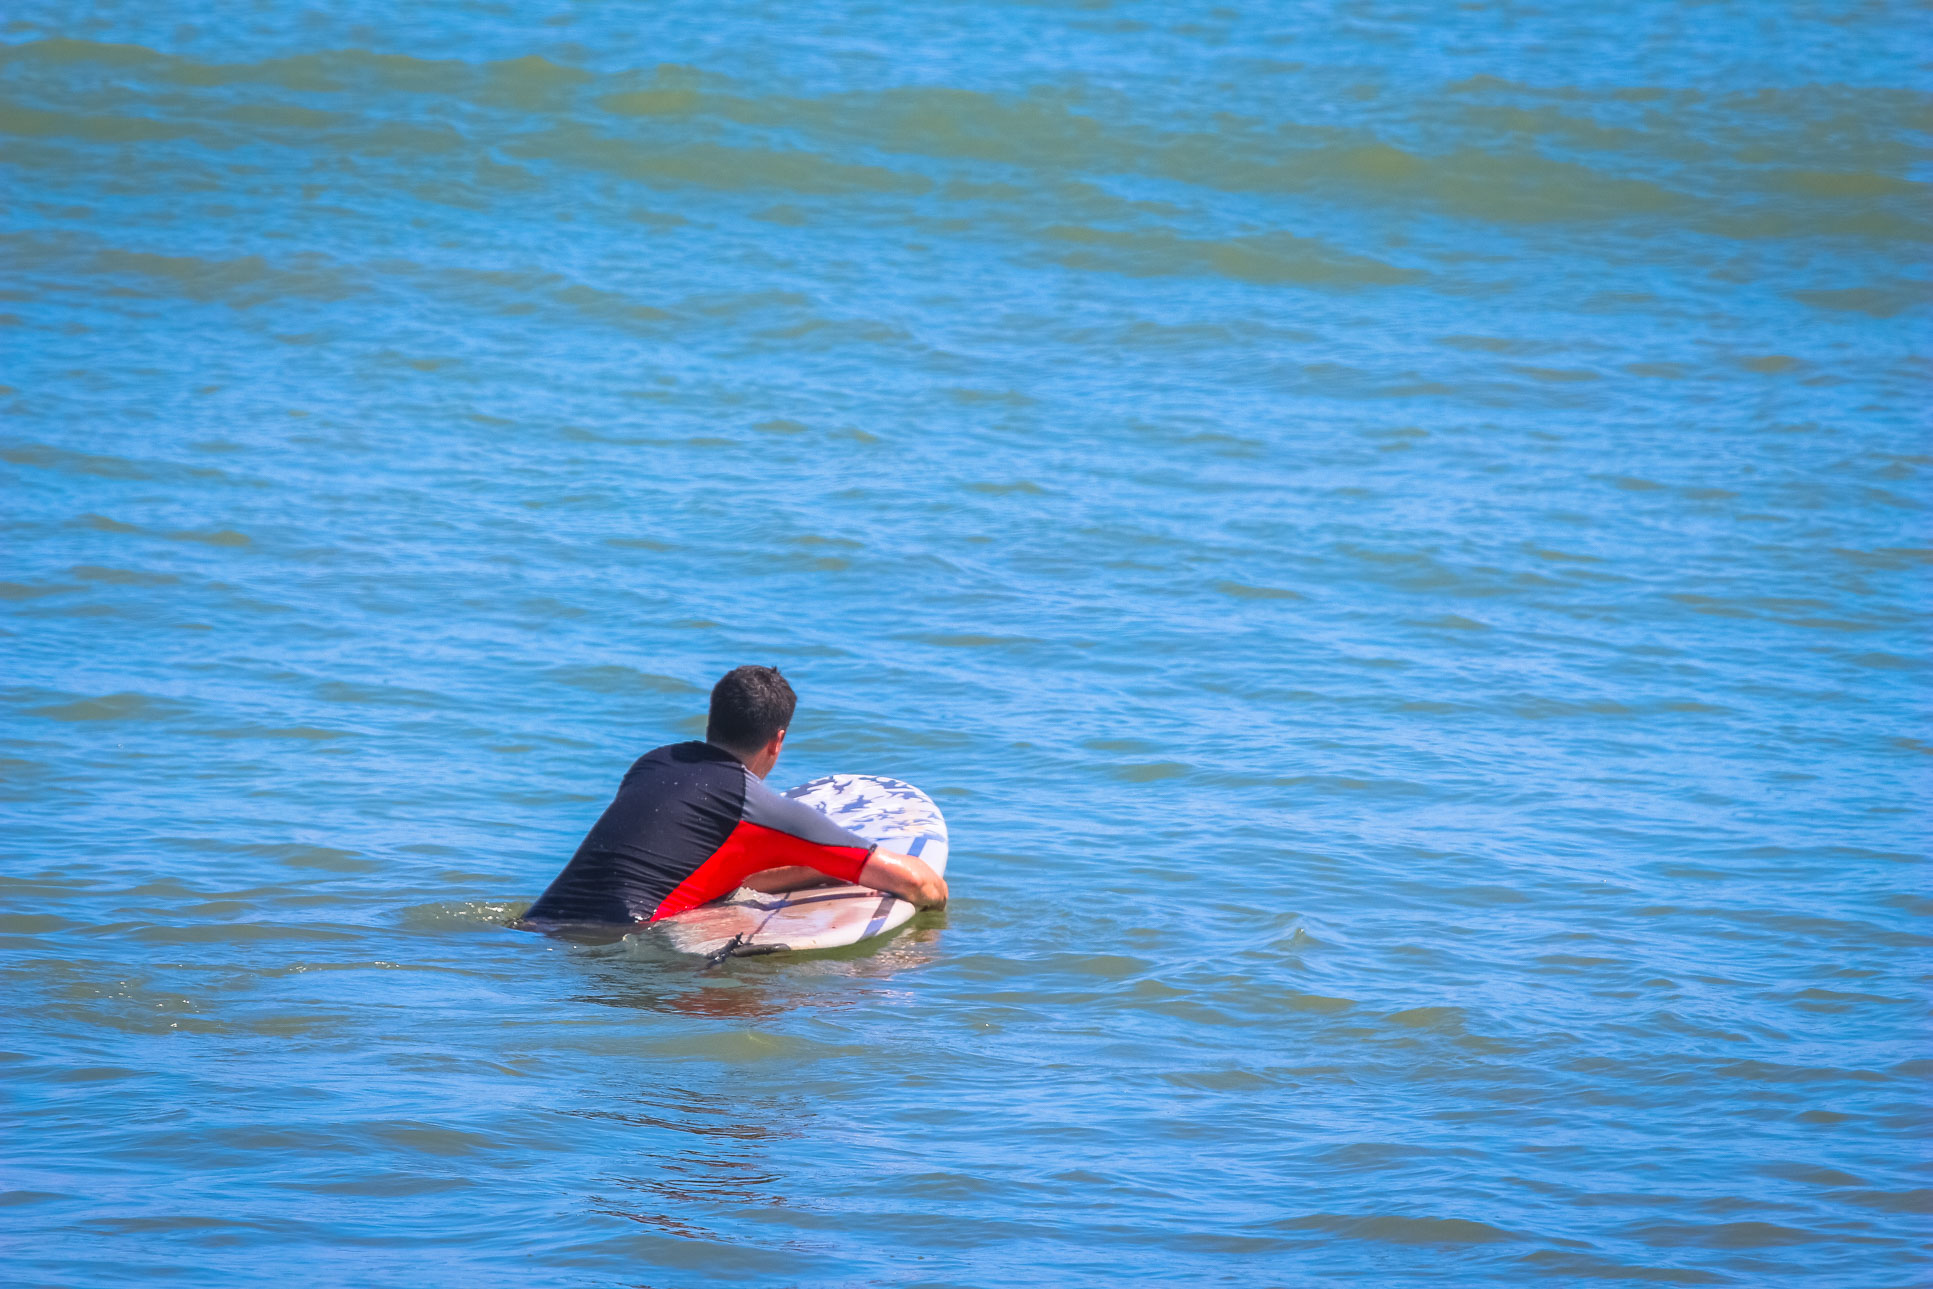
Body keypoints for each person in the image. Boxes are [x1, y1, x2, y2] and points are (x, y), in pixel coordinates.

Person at [521, 665, 947, 929]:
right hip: (621, 951)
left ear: (713, 720)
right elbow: (917, 882)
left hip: (536, 928)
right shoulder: (761, 809)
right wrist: (935, 913)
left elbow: (722, 875)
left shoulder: (653, 764)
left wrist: (822, 871)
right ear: (777, 741)